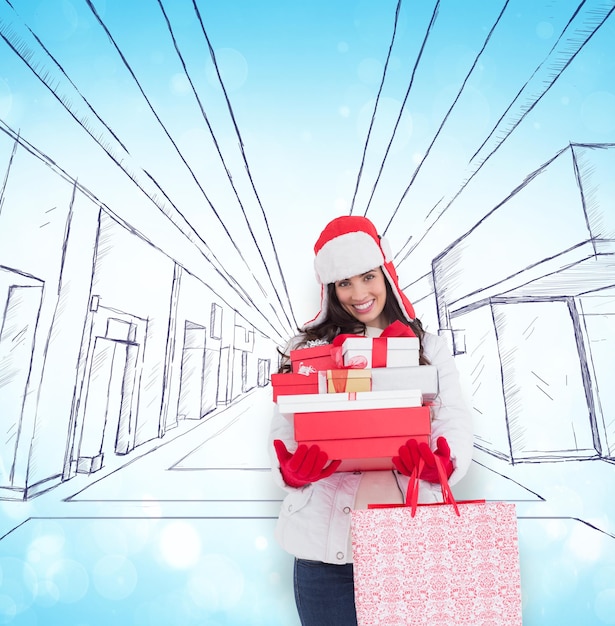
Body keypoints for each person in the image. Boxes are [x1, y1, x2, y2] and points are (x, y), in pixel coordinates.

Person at [269, 215, 474, 626]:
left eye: (367, 276)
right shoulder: (309, 351)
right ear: (330, 289)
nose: (359, 293)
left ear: (386, 274)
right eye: (344, 283)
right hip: (323, 556)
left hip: (410, 548)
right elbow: (285, 429)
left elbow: (454, 420)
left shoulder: (429, 347)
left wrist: (443, 463)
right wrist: (290, 470)